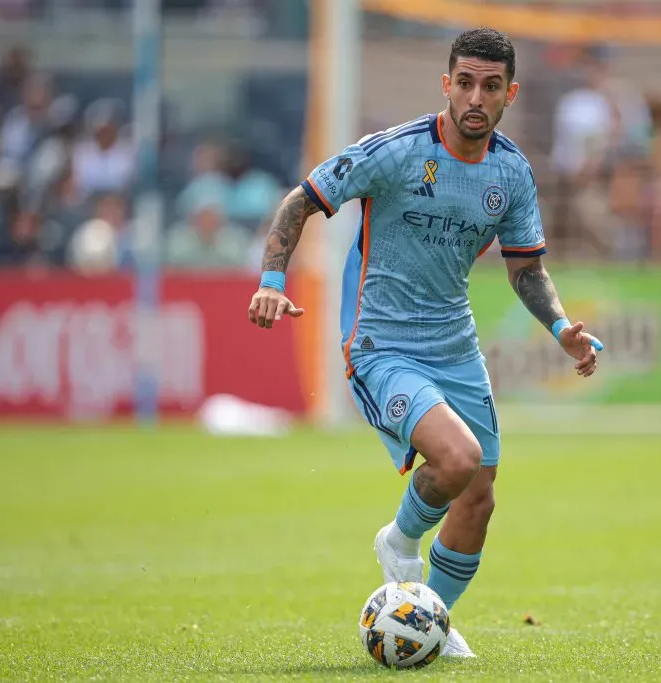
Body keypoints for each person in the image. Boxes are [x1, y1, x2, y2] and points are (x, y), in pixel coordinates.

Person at [246, 28, 602, 658]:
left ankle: (430, 617)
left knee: (480, 494)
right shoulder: (397, 152)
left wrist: (560, 328)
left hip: (456, 346)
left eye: (490, 86)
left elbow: (526, 267)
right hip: (382, 345)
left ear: (509, 94)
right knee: (458, 461)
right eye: (464, 81)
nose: (475, 95)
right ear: (446, 84)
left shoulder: (511, 173)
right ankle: (399, 541)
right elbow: (299, 202)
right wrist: (272, 281)